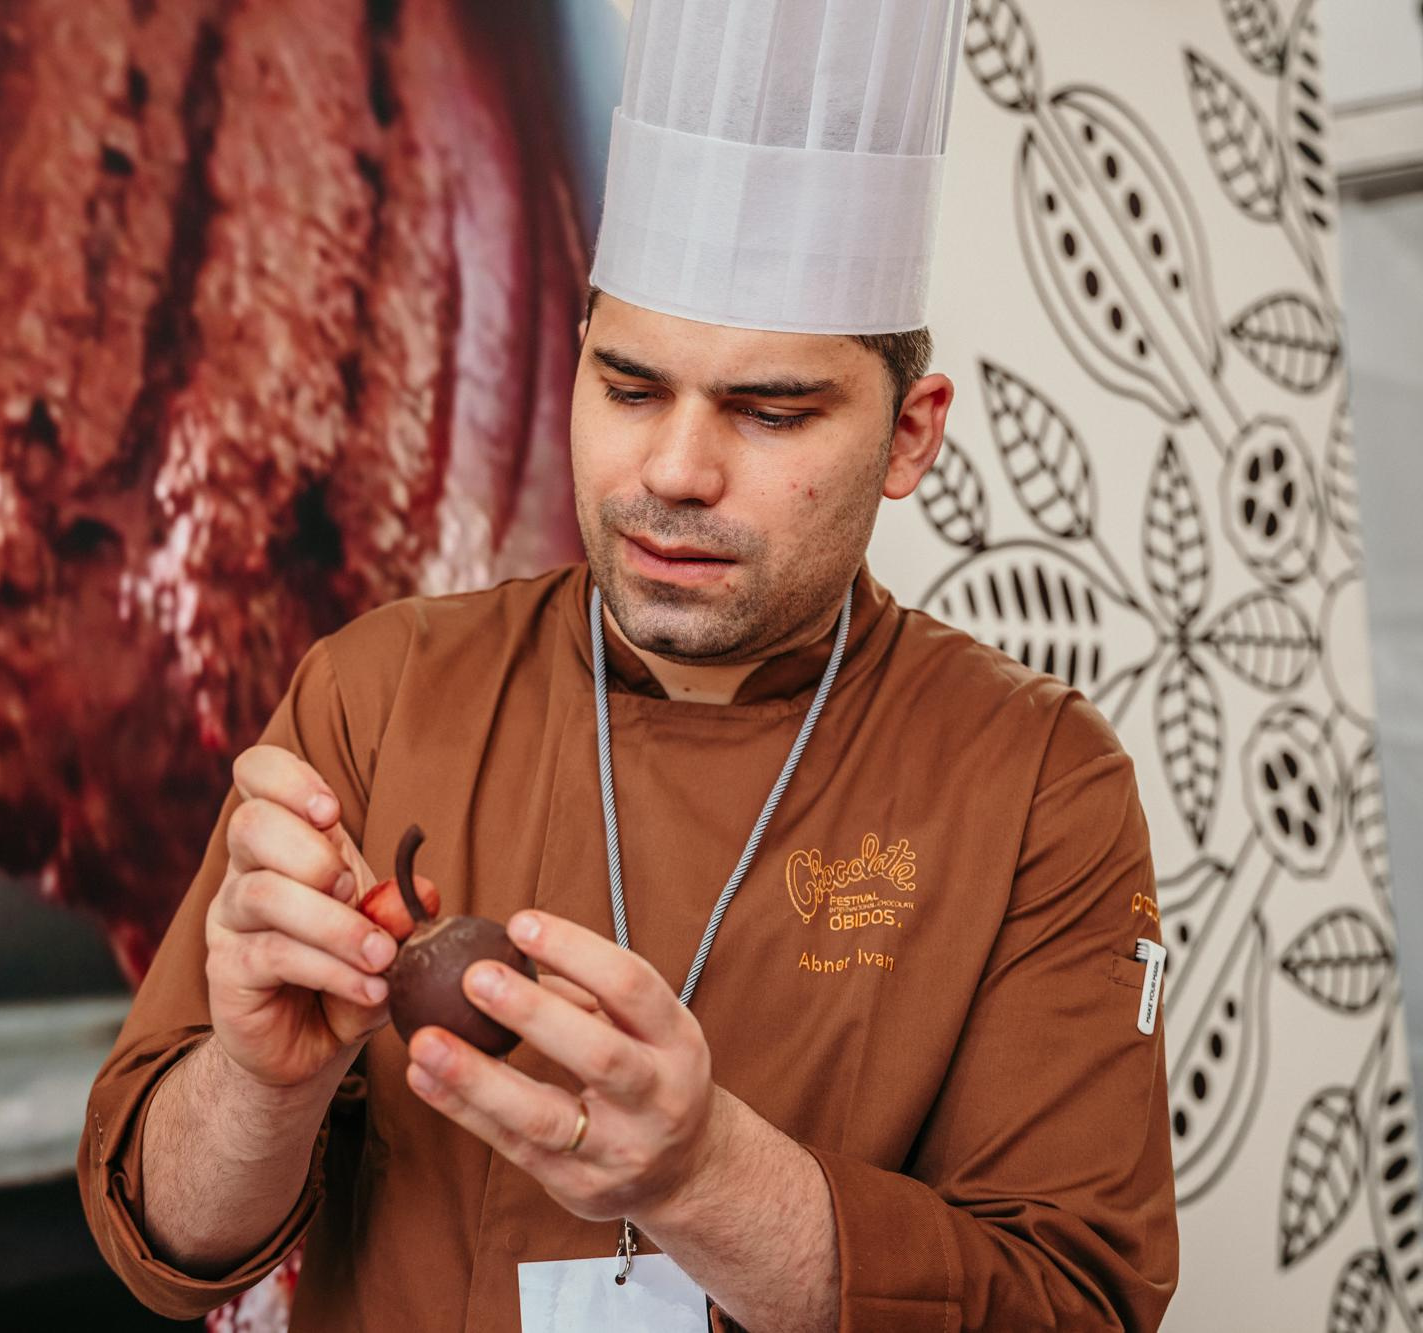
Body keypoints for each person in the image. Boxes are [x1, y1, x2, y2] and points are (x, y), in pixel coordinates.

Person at [81, 2, 1178, 1329]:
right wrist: (262, 1084)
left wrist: (704, 1172)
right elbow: (169, 1240)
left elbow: (1078, 1305)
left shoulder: (1036, 782)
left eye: (771, 410)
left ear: (910, 435)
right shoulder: (379, 693)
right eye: (632, 386)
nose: (674, 472)